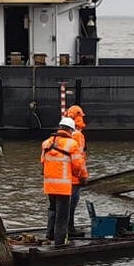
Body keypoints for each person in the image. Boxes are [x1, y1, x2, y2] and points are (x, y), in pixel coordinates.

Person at [41, 116, 88, 246]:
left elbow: (42, 162)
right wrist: (83, 178)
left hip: (49, 185)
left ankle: (49, 235)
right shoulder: (71, 144)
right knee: (62, 215)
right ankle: (60, 242)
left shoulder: (46, 143)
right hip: (63, 186)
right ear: (70, 130)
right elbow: (78, 165)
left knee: (52, 209)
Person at [64, 105, 88, 237]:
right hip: (75, 176)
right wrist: (83, 176)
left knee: (63, 205)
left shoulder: (65, 134)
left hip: (65, 175)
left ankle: (62, 229)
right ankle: (70, 229)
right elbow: (78, 158)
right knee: (71, 205)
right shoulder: (78, 135)